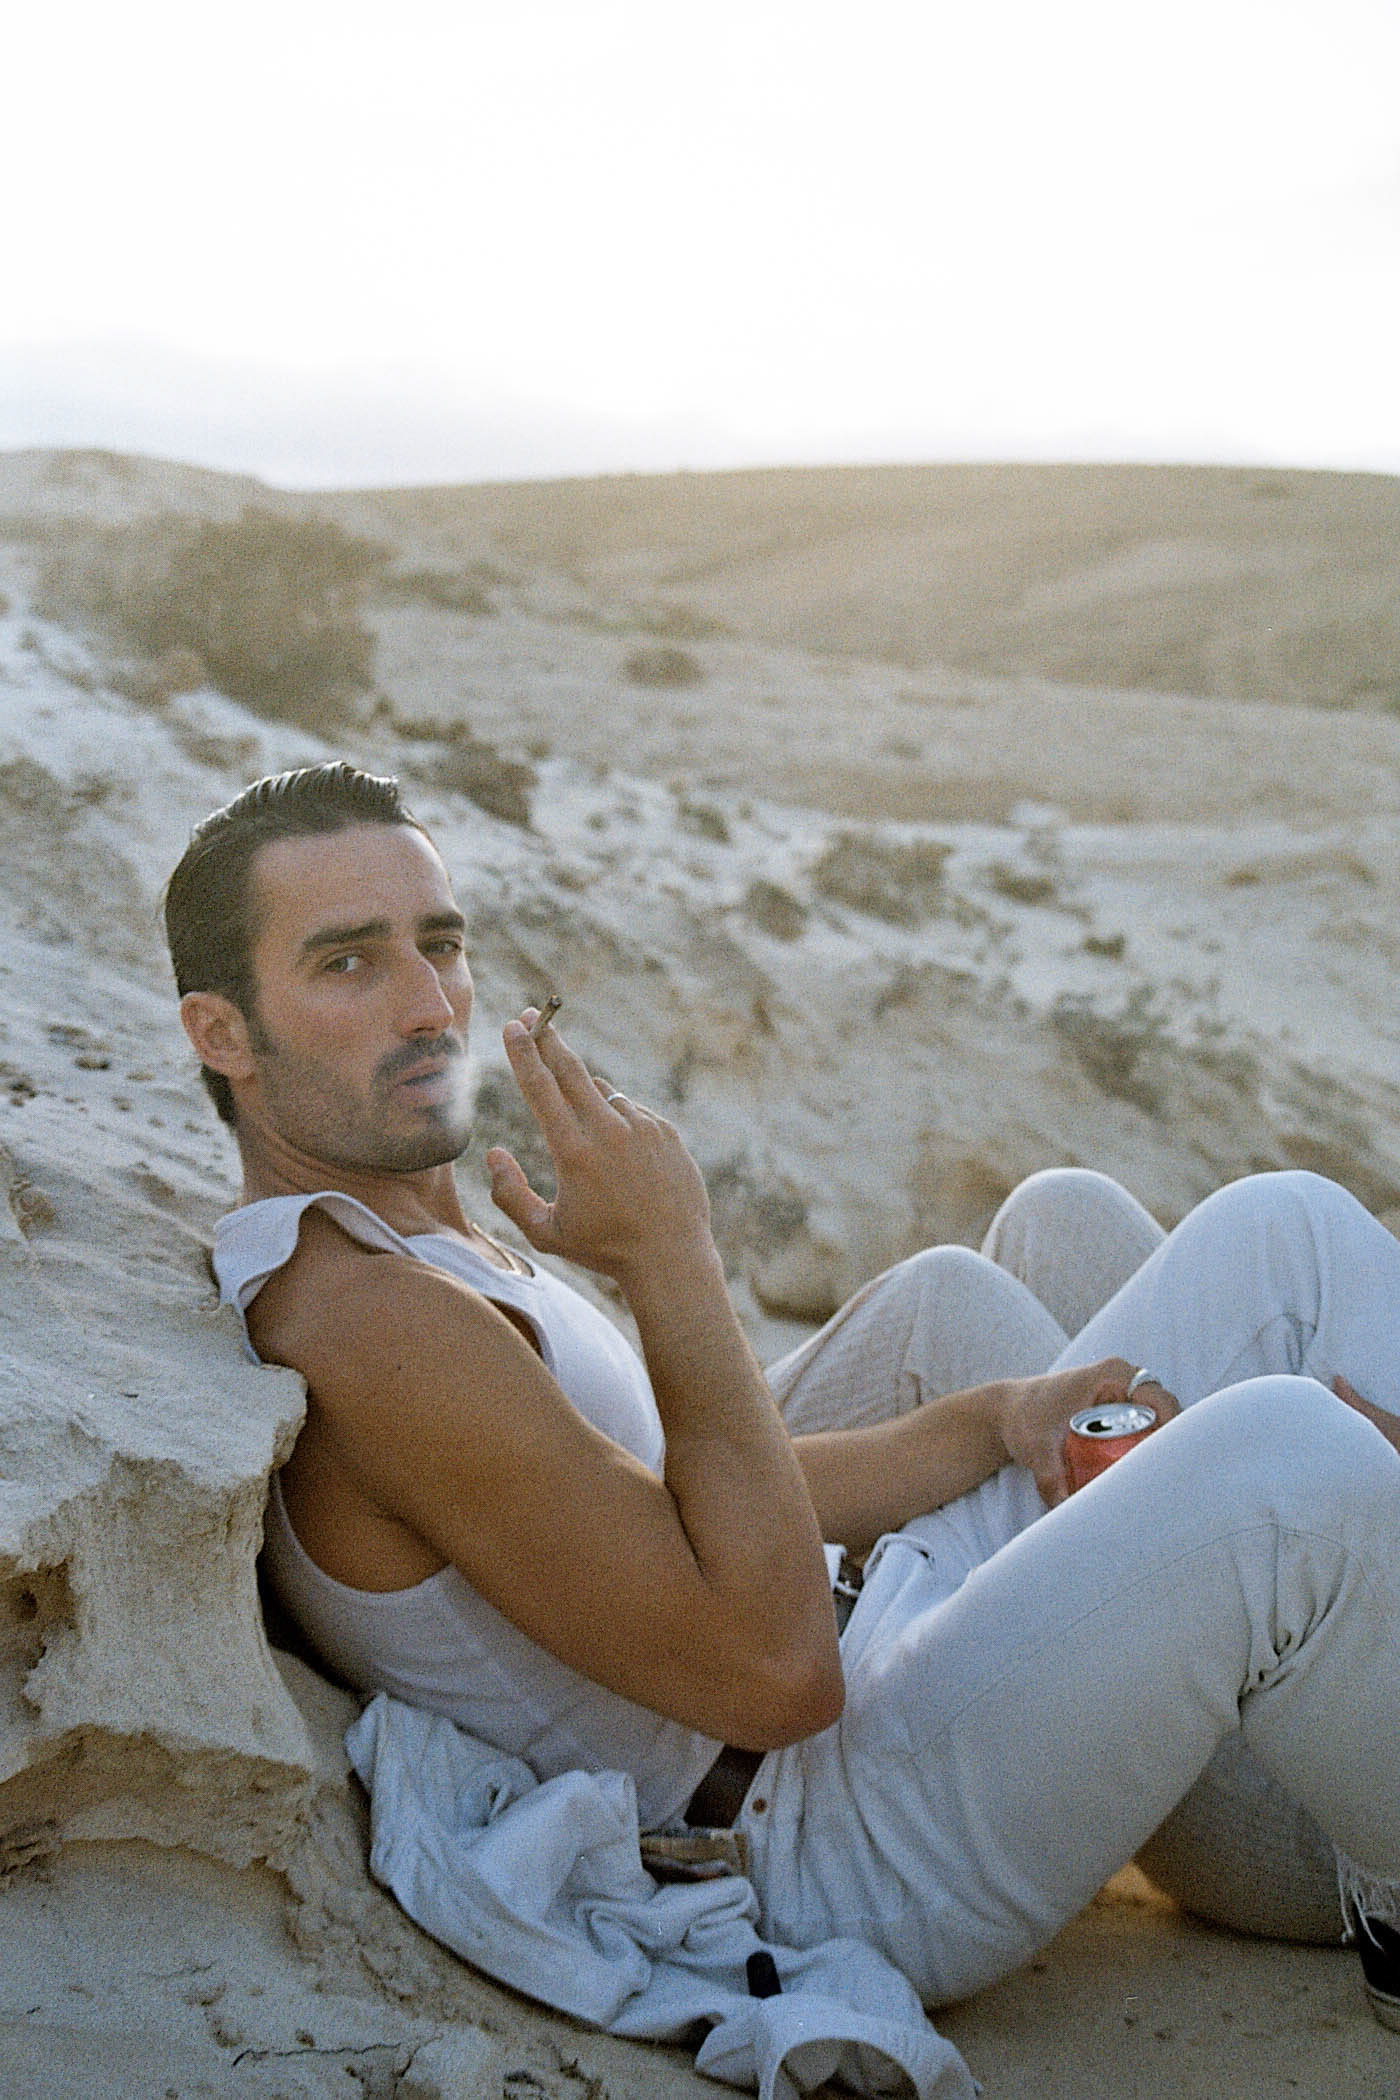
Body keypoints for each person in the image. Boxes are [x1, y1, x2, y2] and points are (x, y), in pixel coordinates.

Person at [166, 762, 1400, 2028]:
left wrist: (993, 1417)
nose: (431, 1005)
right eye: (348, 964)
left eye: (439, 944)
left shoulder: (423, 1243)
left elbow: (673, 1511)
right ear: (222, 1034)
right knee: (1292, 1453)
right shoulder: (372, 1319)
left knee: (1278, 1228)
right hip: (829, 1840)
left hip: (881, 1660)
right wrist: (670, 1257)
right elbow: (776, 1675)